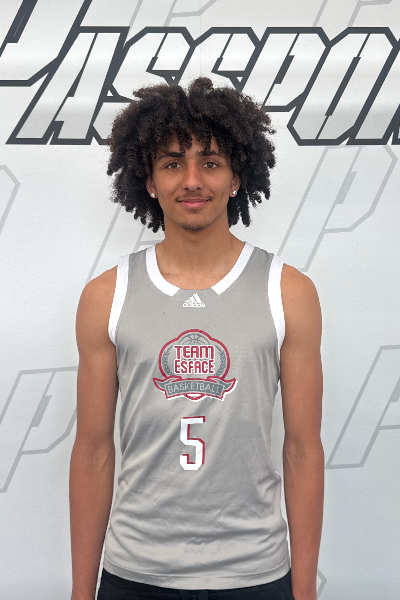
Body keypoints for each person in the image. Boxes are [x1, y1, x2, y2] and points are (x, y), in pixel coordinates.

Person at [69, 77, 324, 600]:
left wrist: (304, 591)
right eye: (172, 163)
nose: (192, 181)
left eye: (210, 162)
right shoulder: (105, 296)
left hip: (255, 573)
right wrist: (80, 591)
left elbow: (302, 450)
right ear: (148, 180)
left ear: (236, 178)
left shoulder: (289, 291)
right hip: (136, 573)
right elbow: (92, 451)